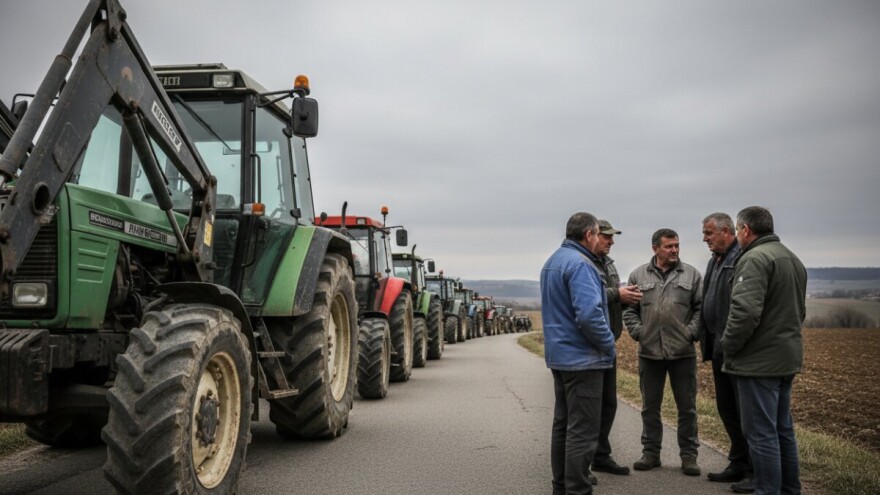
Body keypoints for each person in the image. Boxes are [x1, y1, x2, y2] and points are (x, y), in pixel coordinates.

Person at [722, 206, 807, 495]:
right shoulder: (791, 258)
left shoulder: (753, 259)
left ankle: (767, 490)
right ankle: (789, 489)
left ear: (745, 230)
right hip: (785, 358)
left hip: (758, 362)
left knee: (761, 434)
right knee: (783, 430)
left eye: (737, 230)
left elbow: (744, 313)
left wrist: (729, 346)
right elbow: (799, 312)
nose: (737, 236)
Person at [541, 212, 616, 495]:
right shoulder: (582, 264)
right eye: (598, 234)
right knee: (582, 431)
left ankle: (561, 487)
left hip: (560, 357)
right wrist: (608, 344)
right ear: (588, 235)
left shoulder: (553, 262)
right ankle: (578, 490)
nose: (599, 239)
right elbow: (589, 315)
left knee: (563, 426)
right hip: (584, 359)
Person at [622, 228, 703, 476]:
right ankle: (651, 453)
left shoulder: (692, 275)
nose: (674, 250)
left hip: (682, 354)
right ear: (655, 248)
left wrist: (690, 333)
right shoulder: (638, 275)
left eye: (677, 245)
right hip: (650, 354)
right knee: (650, 407)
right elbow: (629, 310)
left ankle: (689, 456)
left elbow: (701, 309)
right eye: (669, 246)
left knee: (687, 408)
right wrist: (640, 332)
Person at [699, 213, 753, 492]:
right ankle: (738, 463)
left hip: (735, 350)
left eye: (709, 233)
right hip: (718, 349)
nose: (705, 238)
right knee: (727, 409)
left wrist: (729, 342)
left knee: (746, 414)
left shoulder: (740, 257)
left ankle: (754, 471)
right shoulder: (715, 260)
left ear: (726, 231)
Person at [589, 220, 642, 476]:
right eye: (607, 236)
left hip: (608, 343)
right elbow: (590, 299)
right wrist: (616, 294)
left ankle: (601, 455)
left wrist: (627, 298)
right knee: (589, 408)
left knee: (608, 404)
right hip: (590, 347)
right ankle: (581, 464)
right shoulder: (584, 263)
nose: (611, 241)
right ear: (592, 235)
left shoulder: (608, 264)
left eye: (612, 237)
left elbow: (608, 299)